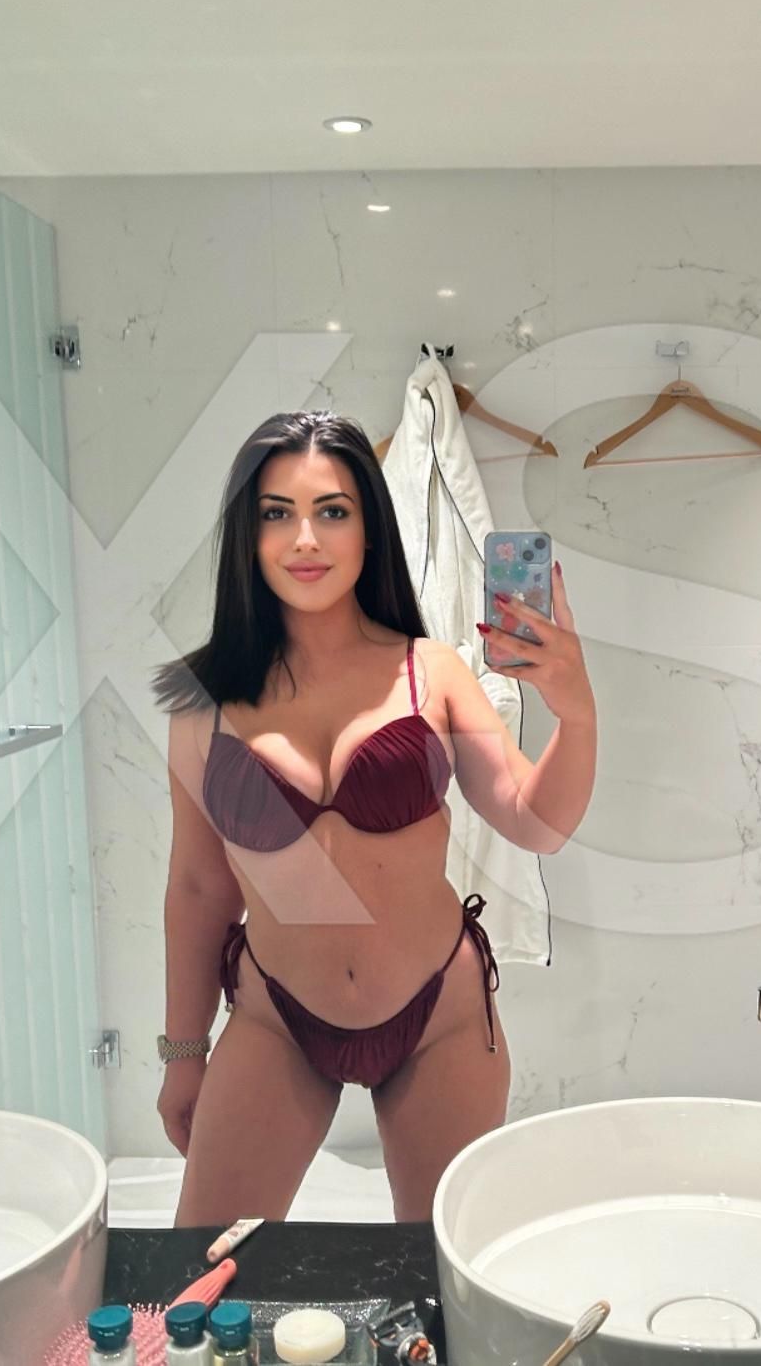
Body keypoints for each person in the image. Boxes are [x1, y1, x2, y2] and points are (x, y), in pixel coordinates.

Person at [150, 410, 596, 1224]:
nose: (305, 539)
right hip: (277, 1018)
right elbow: (199, 889)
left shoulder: (434, 673)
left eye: (332, 511)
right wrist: (183, 1053)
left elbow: (537, 823)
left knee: (441, 1273)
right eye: (277, 513)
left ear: (369, 528)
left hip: (439, 1016)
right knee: (206, 1267)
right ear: (248, 534)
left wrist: (576, 711)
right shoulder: (201, 700)